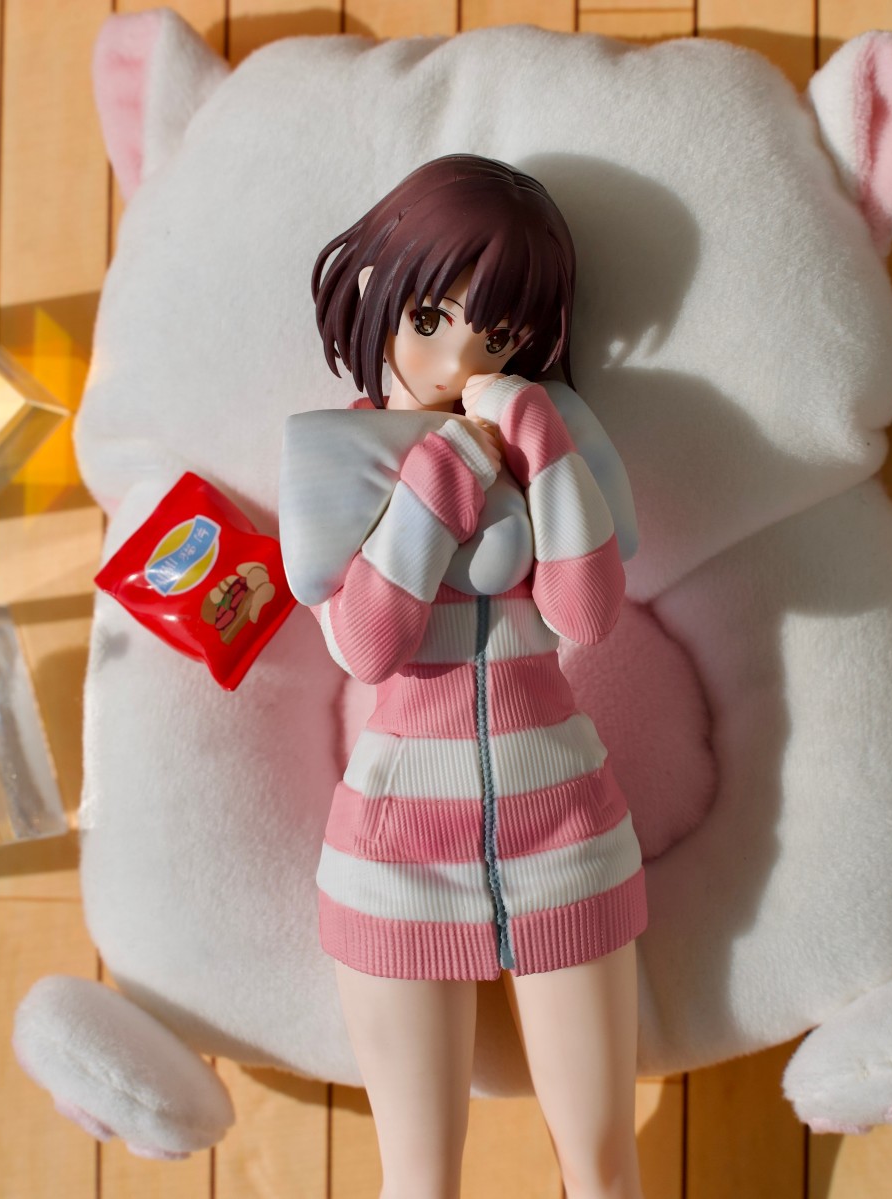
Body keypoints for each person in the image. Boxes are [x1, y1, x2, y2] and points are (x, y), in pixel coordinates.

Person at [295, 153, 647, 1199]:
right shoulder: (337, 455)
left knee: (603, 1166)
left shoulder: (557, 433)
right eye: (430, 318)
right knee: (418, 1179)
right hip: (394, 846)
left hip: (565, 828)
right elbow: (367, 642)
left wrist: (539, 437)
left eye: (494, 336)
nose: (456, 361)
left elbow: (585, 615)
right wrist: (446, 470)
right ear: (377, 291)